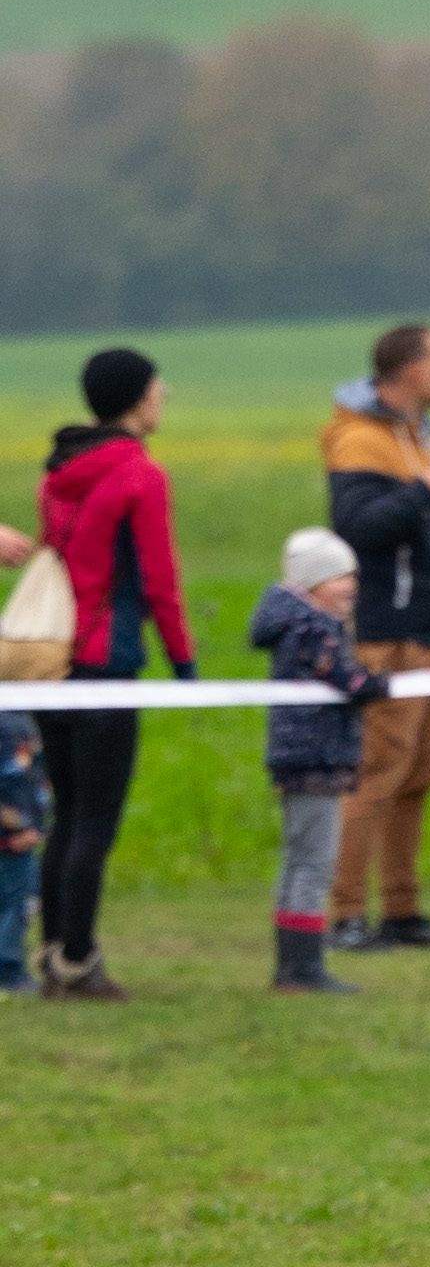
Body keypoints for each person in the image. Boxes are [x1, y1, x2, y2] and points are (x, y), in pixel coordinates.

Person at [36, 346, 196, 1003]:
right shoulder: (140, 474)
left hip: (52, 662)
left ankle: (53, 956)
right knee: (96, 821)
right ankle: (80, 962)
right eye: (157, 388)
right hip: (108, 663)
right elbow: (159, 580)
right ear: (136, 399)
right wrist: (184, 664)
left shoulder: (57, 471)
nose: (163, 397)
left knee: (66, 814)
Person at [324, 321, 430, 951]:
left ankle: (402, 910)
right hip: (391, 638)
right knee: (374, 777)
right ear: (412, 370)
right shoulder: (361, 439)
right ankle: (345, 914)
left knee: (417, 777)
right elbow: (354, 528)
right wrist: (423, 492)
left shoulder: (418, 433)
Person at [248, 528, 392, 996]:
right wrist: (380, 683)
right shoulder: (312, 629)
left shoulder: (294, 623)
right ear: (312, 584)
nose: (351, 586)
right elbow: (348, 679)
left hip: (298, 758)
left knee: (298, 861)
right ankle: (302, 967)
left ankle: (293, 964)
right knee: (314, 864)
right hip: (316, 759)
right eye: (339, 577)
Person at [0, 712, 51, 995]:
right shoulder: (11, 726)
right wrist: (19, 828)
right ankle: (7, 969)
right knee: (15, 905)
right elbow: (14, 781)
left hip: (20, 834)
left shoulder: (21, 721)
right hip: (12, 840)